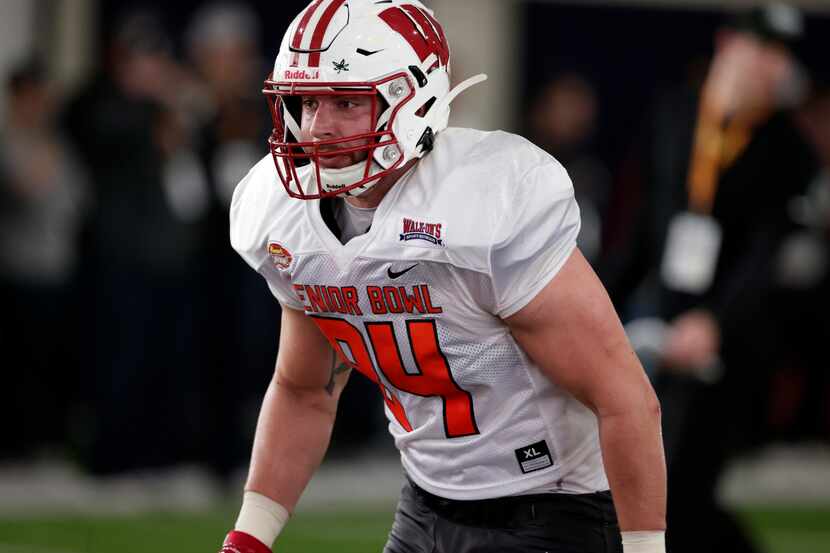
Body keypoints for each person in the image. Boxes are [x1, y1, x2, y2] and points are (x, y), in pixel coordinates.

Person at [220, 2, 666, 552]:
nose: (315, 127)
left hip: (551, 508)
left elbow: (625, 398)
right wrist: (249, 537)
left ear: (414, 101)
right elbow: (304, 389)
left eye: (345, 102)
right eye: (306, 101)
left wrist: (645, 548)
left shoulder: (487, 203)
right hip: (425, 503)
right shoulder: (288, 217)